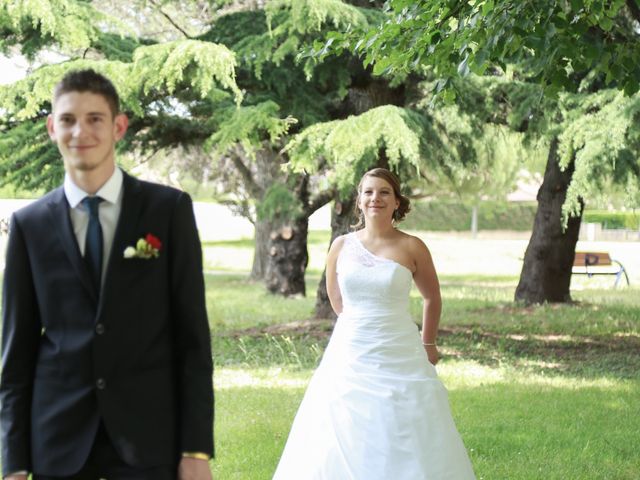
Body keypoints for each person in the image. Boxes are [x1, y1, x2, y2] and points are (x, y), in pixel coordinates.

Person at [0, 69, 214, 479]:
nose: (80, 131)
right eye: (67, 119)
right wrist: (14, 463)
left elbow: (193, 341)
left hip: (149, 437)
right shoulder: (29, 225)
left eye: (95, 118)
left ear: (118, 127)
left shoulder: (167, 211)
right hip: (57, 440)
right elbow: (17, 356)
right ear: (51, 128)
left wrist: (196, 450)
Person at [273, 168, 475, 479]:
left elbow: (432, 298)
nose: (375, 198)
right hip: (351, 350)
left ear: (397, 202)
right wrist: (360, 325)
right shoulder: (340, 246)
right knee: (340, 424)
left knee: (403, 423)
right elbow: (337, 300)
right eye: (368, 192)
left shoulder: (412, 247)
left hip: (401, 350)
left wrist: (428, 343)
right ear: (359, 200)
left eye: (384, 192)